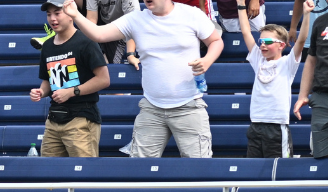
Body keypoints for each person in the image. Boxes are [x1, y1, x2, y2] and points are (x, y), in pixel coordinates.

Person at [64, 0, 222, 158]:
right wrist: (76, 15)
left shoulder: (192, 14)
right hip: (151, 109)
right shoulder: (135, 19)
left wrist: (207, 60)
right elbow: (99, 34)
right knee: (139, 168)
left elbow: (216, 40)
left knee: (198, 170)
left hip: (189, 106)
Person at [30, 0, 110, 157]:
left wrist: (72, 91)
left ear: (70, 14)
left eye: (57, 13)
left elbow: (104, 79)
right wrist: (40, 91)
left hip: (81, 119)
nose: (53, 19)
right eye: (49, 14)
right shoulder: (47, 46)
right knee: (48, 176)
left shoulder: (86, 42)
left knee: (84, 175)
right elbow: (48, 81)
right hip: (53, 120)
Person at [238, 2, 312, 157]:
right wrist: (240, 5)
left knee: (279, 169)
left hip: (277, 126)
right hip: (256, 124)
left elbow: (302, 40)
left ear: (282, 45)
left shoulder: (287, 63)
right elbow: (246, 31)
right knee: (252, 169)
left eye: (269, 42)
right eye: (261, 41)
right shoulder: (258, 59)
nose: (263, 45)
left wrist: (306, 15)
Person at [295, 0, 328, 158]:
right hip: (322, 97)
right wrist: (302, 95)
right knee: (320, 154)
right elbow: (311, 61)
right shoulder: (321, 22)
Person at [84, 0, 138, 65]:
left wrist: (130, 54)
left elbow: (132, 23)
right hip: (103, 25)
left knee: (114, 66)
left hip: (122, 28)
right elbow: (92, 19)